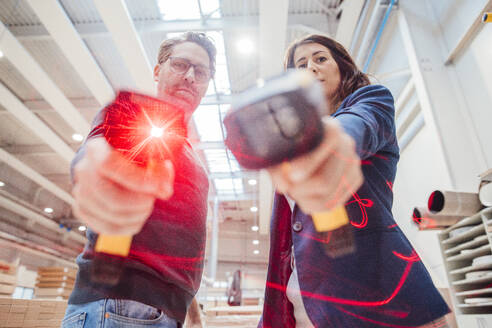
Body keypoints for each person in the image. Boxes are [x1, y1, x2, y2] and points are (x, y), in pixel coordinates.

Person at [258, 34, 450, 328]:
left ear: (342, 67)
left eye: (320, 59)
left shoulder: (372, 102)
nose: (310, 67)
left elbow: (354, 128)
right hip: (305, 308)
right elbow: (285, 242)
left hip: (378, 300)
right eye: (300, 65)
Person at [62, 32, 215, 328]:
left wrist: (192, 309)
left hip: (165, 312)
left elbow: (173, 246)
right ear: (158, 71)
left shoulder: (190, 154)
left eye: (201, 71)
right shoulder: (135, 117)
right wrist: (98, 174)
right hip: (120, 306)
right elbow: (96, 153)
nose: (190, 76)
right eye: (180, 64)